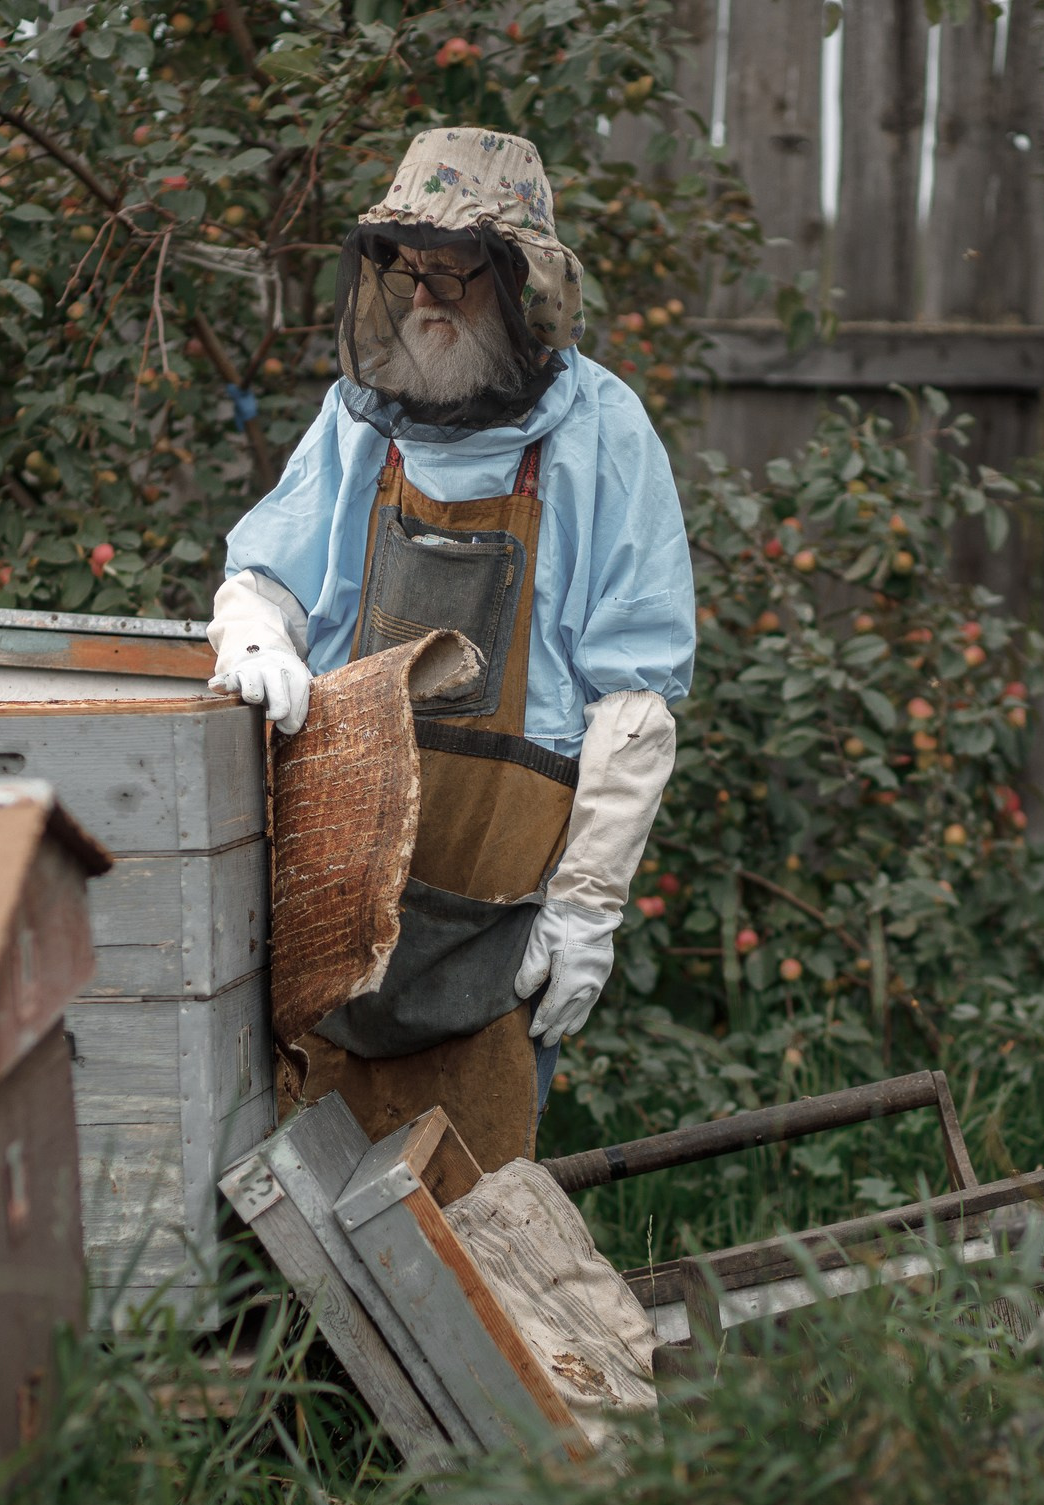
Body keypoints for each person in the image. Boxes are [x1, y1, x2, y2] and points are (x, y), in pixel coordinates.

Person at [211, 128, 695, 1167]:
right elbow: (270, 577)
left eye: (451, 273)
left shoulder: (603, 437)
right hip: (342, 875)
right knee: (298, 1190)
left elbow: (634, 703)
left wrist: (585, 908)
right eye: (405, 269)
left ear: (524, 289)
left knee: (471, 1206)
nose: (421, 297)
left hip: (495, 908)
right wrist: (254, 630)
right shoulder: (360, 424)